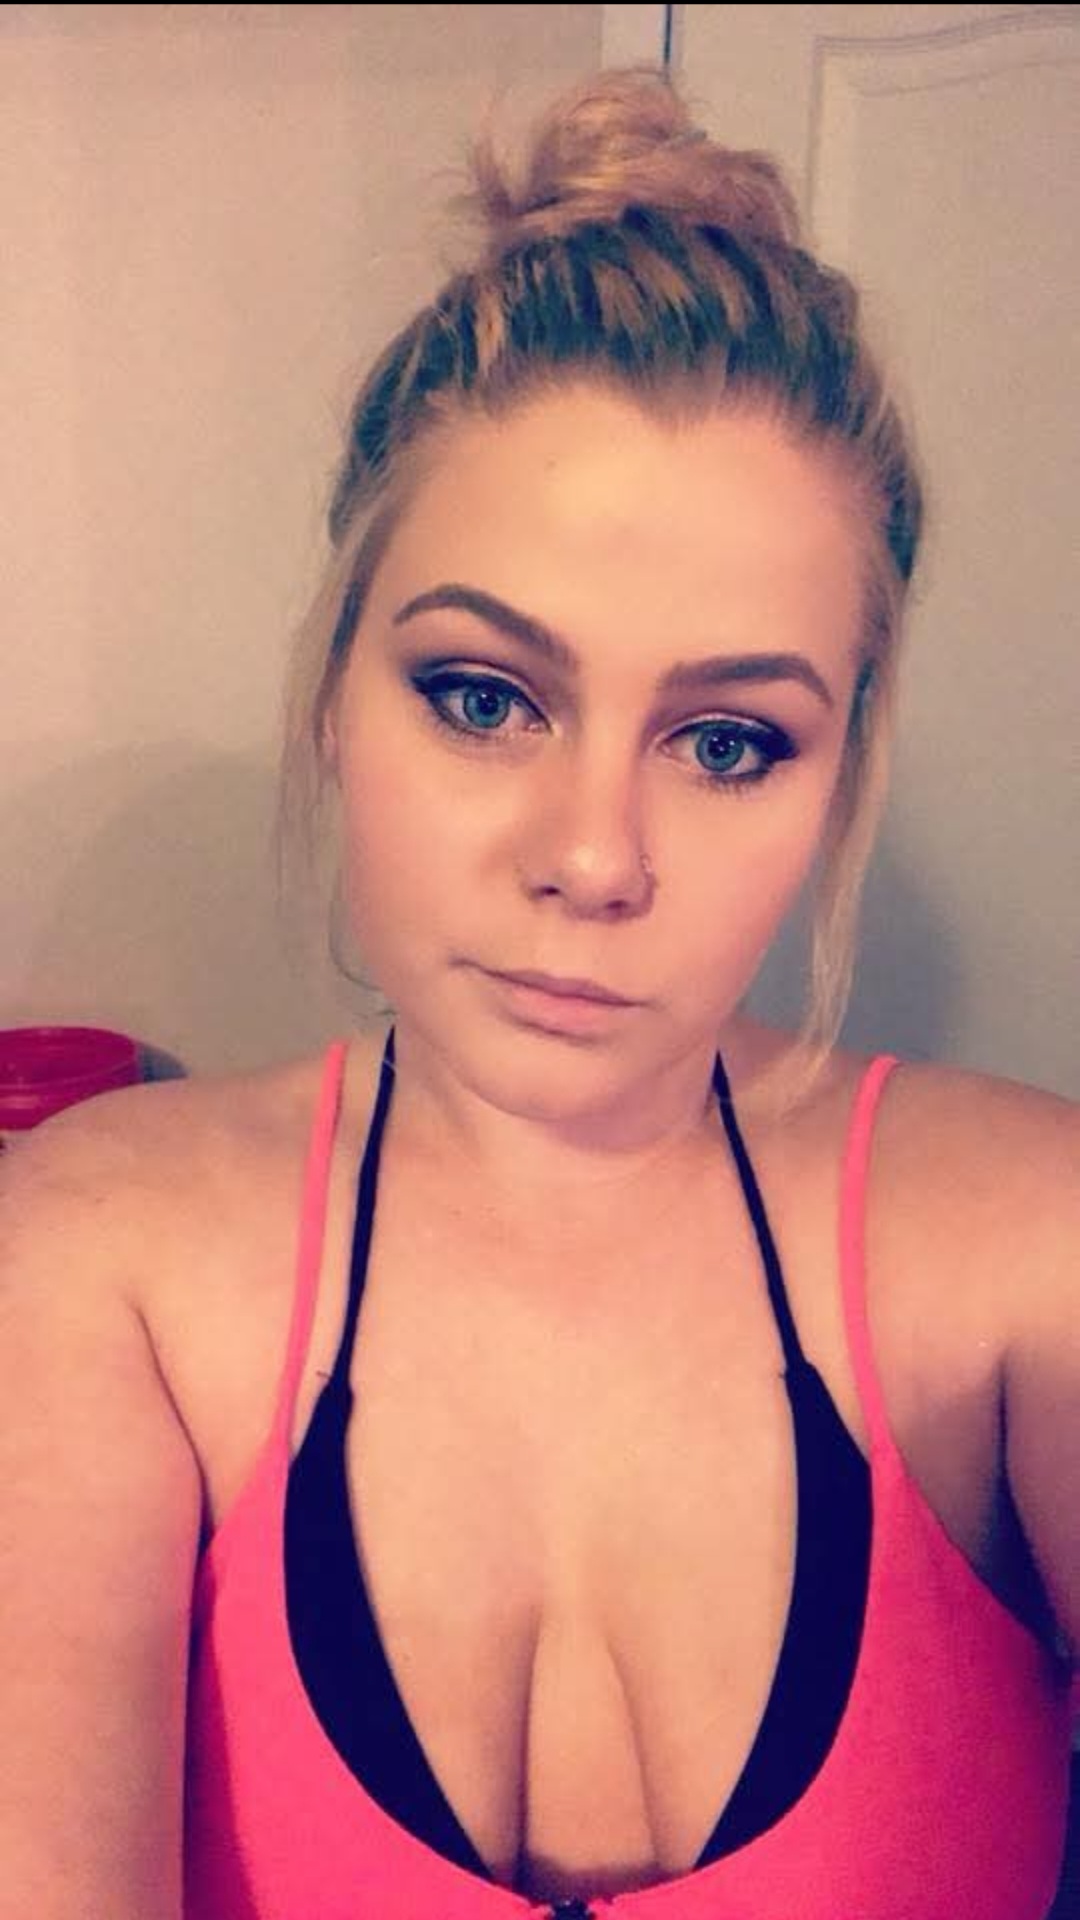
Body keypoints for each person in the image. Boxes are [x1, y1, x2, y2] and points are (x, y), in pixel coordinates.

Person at [1, 64, 1076, 1920]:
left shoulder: (1030, 1257)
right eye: (484, 697)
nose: (593, 859)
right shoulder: (102, 1256)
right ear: (335, 699)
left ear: (837, 783)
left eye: (728, 741)